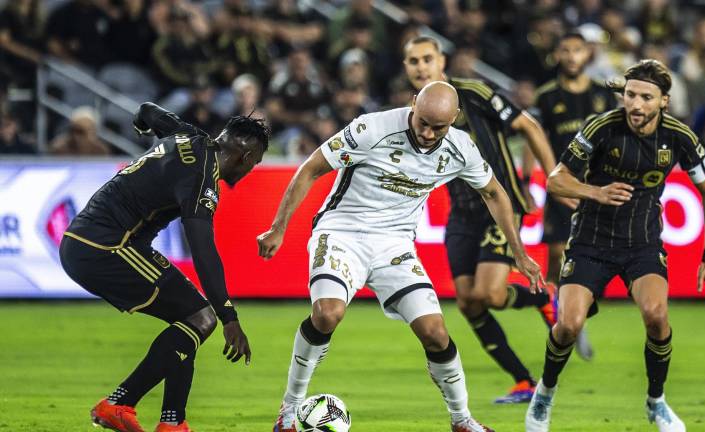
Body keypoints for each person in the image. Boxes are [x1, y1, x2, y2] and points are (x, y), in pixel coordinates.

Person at [258, 81, 544, 432]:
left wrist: (519, 252)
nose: (427, 133)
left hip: (394, 245)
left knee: (436, 333)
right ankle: (288, 412)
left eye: (438, 127)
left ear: (454, 119)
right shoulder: (371, 129)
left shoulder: (460, 148)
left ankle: (462, 420)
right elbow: (311, 168)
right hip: (342, 232)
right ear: (412, 104)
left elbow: (495, 193)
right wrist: (278, 227)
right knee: (327, 314)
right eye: (422, 121)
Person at [525, 59, 705, 432]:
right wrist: (595, 192)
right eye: (630, 94)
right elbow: (556, 180)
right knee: (568, 325)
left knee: (657, 316)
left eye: (646, 97)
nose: (635, 104)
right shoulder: (602, 127)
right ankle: (545, 394)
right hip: (590, 241)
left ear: (664, 101)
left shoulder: (680, 137)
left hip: (642, 243)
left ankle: (657, 402)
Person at [59, 102, 269, 432]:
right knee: (203, 317)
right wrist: (229, 316)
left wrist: (143, 128)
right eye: (254, 164)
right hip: (105, 246)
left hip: (91, 240)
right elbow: (203, 250)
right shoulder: (202, 179)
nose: (249, 171)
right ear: (245, 157)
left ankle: (173, 422)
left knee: (189, 318)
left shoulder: (190, 135)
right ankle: (119, 403)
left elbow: (147, 110)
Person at [403, 35, 557, 404]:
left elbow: (529, 127)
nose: (421, 67)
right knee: (469, 303)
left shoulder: (473, 92)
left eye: (427, 58)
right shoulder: (414, 112)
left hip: (500, 205)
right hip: (461, 213)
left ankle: (544, 298)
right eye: (413, 61)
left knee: (488, 293)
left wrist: (556, 184)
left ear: (442, 60)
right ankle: (524, 381)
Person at [531, 30, 617, 360]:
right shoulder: (547, 96)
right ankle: (560, 319)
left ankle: (576, 316)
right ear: (557, 55)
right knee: (556, 256)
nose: (570, 56)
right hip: (562, 188)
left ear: (587, 55)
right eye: (564, 50)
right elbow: (534, 139)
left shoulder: (602, 96)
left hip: (594, 189)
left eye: (576, 50)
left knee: (597, 259)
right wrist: (533, 179)